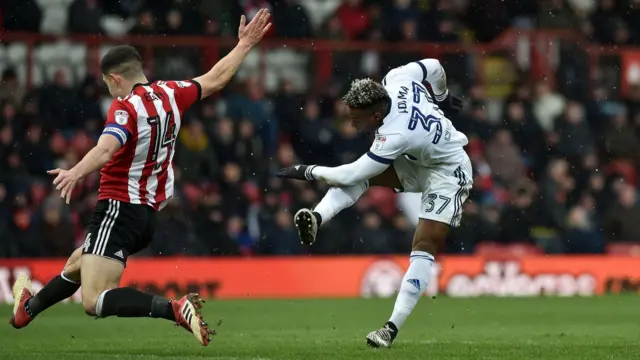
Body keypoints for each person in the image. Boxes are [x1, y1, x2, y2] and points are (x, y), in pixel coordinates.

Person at [9, 9, 272, 347]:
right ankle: (27, 310)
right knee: (80, 260)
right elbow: (215, 78)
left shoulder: (125, 107)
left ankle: (174, 309)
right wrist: (244, 45)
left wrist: (75, 172)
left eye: (107, 84)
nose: (108, 90)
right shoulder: (171, 93)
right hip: (146, 216)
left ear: (116, 78)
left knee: (93, 300)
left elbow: (106, 150)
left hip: (118, 207)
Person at [277, 59, 471, 348]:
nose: (353, 125)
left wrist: (306, 171)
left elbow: (350, 172)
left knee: (424, 243)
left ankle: (390, 329)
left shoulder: (394, 134)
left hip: (448, 171)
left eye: (357, 120)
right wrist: (442, 97)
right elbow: (434, 66)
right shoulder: (396, 78)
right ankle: (316, 218)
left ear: (377, 113)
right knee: (362, 179)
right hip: (419, 161)